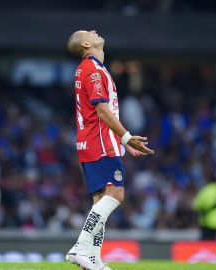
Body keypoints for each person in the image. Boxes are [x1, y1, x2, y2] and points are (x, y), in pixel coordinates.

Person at [65, 30, 154, 270]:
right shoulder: (92, 70)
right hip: (100, 141)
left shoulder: (86, 69)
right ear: (86, 43)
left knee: (100, 201)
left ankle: (92, 259)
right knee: (116, 195)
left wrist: (123, 142)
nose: (94, 31)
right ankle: (80, 248)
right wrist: (126, 137)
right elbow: (103, 111)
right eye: (88, 32)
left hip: (90, 141)